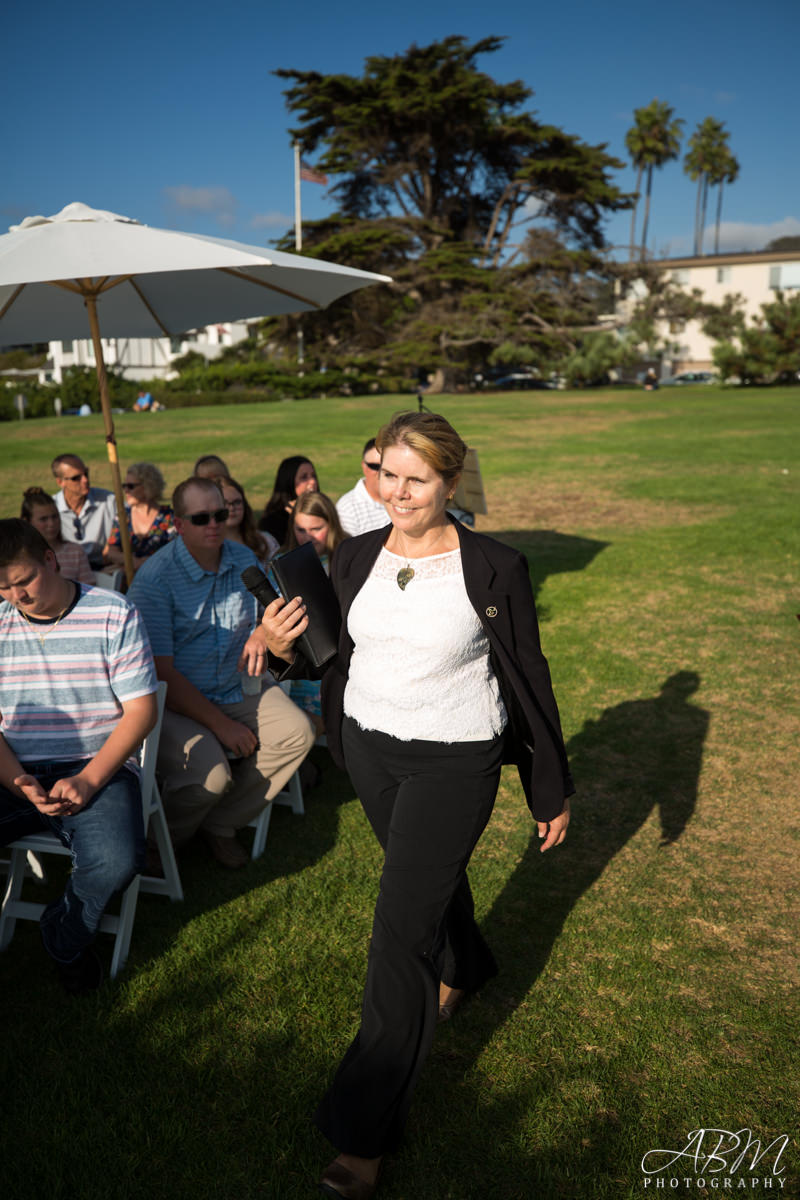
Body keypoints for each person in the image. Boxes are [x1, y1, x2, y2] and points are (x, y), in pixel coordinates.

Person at [261, 411, 573, 1199]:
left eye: (416, 478)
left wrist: (549, 786)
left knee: (398, 939)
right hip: (368, 747)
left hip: (454, 759)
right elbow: (336, 648)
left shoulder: (494, 565)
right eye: (384, 472)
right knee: (421, 883)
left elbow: (529, 676)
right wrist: (278, 642)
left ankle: (362, 1134)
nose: (395, 491)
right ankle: (467, 963)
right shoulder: (358, 551)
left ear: (451, 481)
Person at [0, 519, 158, 994]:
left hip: (96, 766)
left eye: (24, 581)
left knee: (115, 861)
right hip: (15, 768)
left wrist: (89, 780)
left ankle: (63, 937)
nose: (17, 597)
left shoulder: (113, 613)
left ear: (51, 559)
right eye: (3, 587)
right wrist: (16, 780)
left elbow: (141, 711)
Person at [127, 477, 315, 869]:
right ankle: (162, 842)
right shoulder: (155, 581)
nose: (213, 524)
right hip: (175, 703)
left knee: (298, 732)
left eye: (219, 514)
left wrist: (262, 631)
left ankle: (220, 823)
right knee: (210, 778)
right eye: (200, 518)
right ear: (178, 525)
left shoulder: (244, 558)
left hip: (235, 685)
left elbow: (271, 612)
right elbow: (161, 675)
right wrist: (220, 725)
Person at [278, 491, 349, 735]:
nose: (307, 536)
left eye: (316, 528)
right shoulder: (281, 561)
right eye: (300, 529)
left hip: (340, 650)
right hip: (298, 654)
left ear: (332, 524)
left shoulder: (347, 557)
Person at [104, 461, 176, 572]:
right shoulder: (123, 516)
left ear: (148, 486)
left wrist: (147, 563)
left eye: (131, 486)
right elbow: (111, 551)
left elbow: (175, 552)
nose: (126, 491)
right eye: (124, 486)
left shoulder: (168, 518)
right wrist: (134, 562)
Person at [51, 453, 117, 569]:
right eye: (76, 478)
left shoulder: (109, 501)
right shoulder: (51, 508)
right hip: (66, 571)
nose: (85, 480)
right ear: (60, 482)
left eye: (86, 473)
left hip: (105, 568)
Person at [20, 486, 94, 584]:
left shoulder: (75, 552)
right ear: (27, 522)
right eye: (43, 519)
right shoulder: (20, 556)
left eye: (55, 517)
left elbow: (89, 591)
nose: (51, 524)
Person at [214, 474, 279, 569]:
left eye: (237, 502)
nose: (232, 508)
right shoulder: (207, 548)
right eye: (224, 503)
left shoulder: (266, 541)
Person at [258, 455, 318, 546]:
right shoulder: (272, 522)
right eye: (304, 477)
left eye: (313, 476)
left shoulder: (323, 511)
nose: (312, 481)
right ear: (289, 482)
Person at [335, 437, 390, 536]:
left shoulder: (402, 498)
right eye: (375, 466)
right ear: (364, 466)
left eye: (386, 466)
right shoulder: (348, 509)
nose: (381, 472)